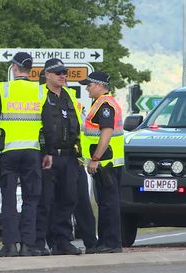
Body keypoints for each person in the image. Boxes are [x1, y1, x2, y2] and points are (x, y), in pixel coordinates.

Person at [0, 52, 47, 257]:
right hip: (32, 152)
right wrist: (47, 152)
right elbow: (48, 125)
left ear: (14, 67)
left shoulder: (4, 89)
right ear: (30, 69)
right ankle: (28, 245)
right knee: (31, 198)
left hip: (9, 153)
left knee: (9, 198)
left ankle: (10, 245)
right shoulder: (39, 91)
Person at [34, 58, 83, 255]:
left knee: (68, 199)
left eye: (65, 72)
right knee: (44, 200)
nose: (63, 76)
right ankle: (39, 243)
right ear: (47, 75)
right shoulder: (39, 95)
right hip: (47, 156)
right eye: (58, 73)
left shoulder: (69, 96)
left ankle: (63, 241)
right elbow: (36, 127)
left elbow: (77, 126)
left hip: (69, 156)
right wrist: (45, 151)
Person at [79, 71, 125, 254]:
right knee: (105, 203)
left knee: (108, 203)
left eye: (89, 85)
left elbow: (106, 132)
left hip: (106, 162)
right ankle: (105, 242)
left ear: (99, 85)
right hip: (107, 162)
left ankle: (111, 243)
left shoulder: (105, 105)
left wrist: (95, 158)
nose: (87, 88)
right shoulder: (100, 103)